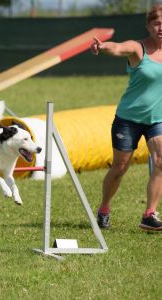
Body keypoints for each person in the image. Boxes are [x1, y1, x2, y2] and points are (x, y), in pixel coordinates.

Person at [91, 4, 162, 231]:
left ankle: (149, 215)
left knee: (161, 162)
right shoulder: (138, 48)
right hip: (128, 119)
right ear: (149, 26)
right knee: (120, 167)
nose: (161, 28)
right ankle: (104, 209)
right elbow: (118, 47)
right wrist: (103, 47)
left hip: (157, 119)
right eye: (157, 23)